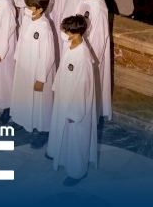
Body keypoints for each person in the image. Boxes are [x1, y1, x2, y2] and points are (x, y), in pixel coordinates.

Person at [46, 14, 98, 185]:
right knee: (61, 131)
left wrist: (75, 113)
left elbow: (83, 87)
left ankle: (77, 172)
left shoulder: (83, 57)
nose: (64, 33)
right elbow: (63, 69)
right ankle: (59, 155)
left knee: (76, 139)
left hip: (76, 107)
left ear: (75, 33)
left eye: (66, 31)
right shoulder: (70, 45)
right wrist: (56, 87)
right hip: (64, 98)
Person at [11, 0, 56, 147]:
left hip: (38, 71)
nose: (26, 9)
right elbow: (21, 39)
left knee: (40, 102)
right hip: (24, 65)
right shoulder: (27, 19)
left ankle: (43, 130)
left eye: (30, 7)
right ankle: (22, 119)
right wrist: (17, 57)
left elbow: (48, 55)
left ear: (40, 9)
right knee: (23, 95)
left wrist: (41, 78)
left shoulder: (44, 28)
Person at [69, 0, 112, 119]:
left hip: (90, 54)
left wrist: (91, 59)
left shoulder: (98, 6)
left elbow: (100, 36)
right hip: (79, 46)